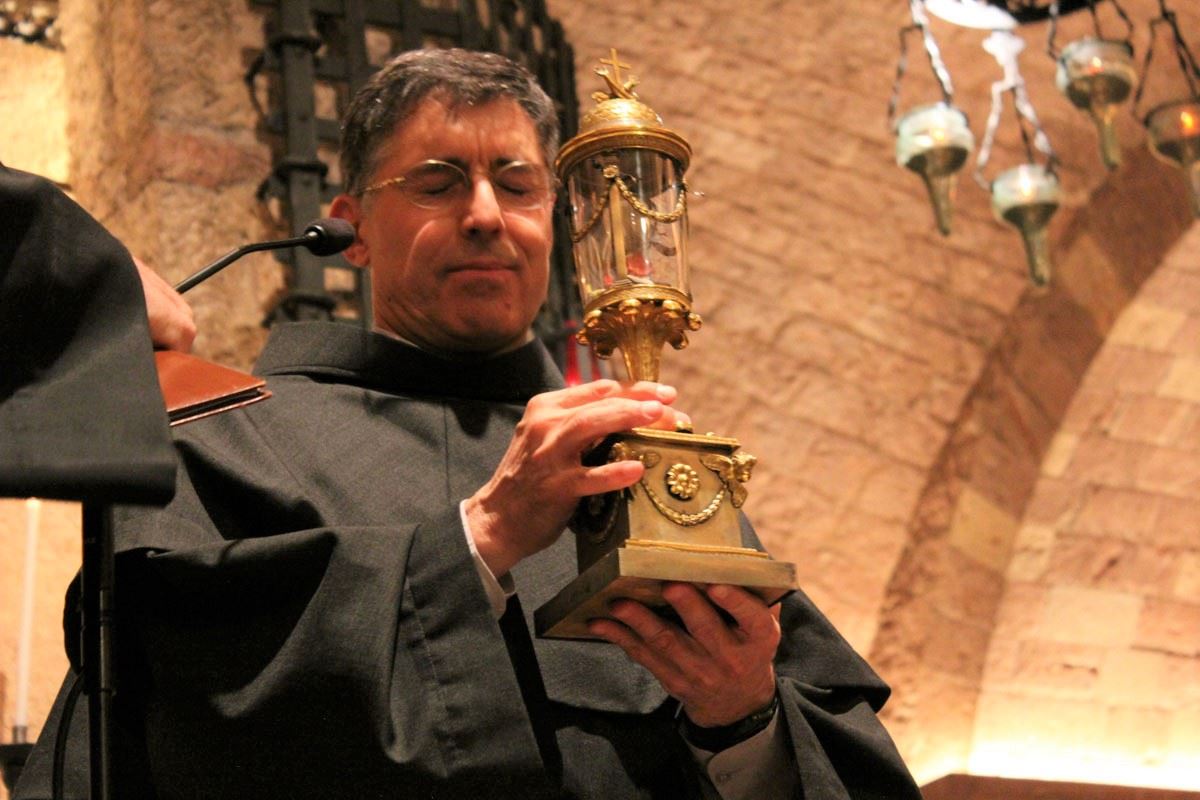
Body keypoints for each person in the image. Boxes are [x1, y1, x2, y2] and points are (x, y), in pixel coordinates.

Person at [16, 49, 921, 800]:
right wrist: (479, 540)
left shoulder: (635, 470)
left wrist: (743, 720)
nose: (486, 215)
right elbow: (165, 714)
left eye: (518, 186)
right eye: (438, 183)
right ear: (351, 228)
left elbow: (832, 755)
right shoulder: (226, 435)